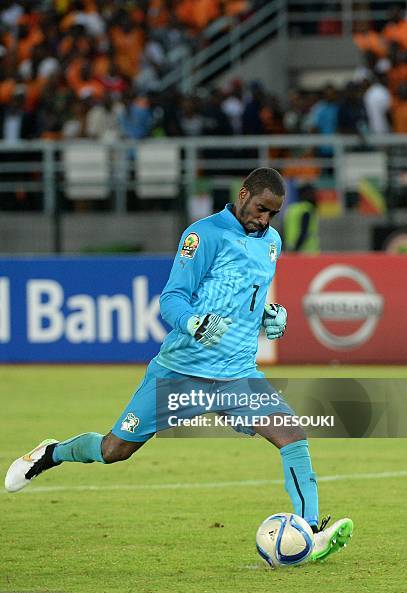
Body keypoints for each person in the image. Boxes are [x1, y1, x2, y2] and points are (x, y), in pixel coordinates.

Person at [5, 168, 352, 563]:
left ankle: (309, 531)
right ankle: (51, 453)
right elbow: (171, 298)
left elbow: (248, 302)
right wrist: (194, 323)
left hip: (237, 374)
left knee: (292, 435)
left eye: (272, 214)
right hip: (180, 372)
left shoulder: (271, 242)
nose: (264, 220)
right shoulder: (203, 235)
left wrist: (271, 315)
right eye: (260, 209)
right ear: (242, 194)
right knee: (113, 449)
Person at [283, 183, 320, 253]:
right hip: (307, 251)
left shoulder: (291, 209)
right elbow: (304, 232)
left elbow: (283, 229)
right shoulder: (307, 209)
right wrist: (295, 249)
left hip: (290, 248)